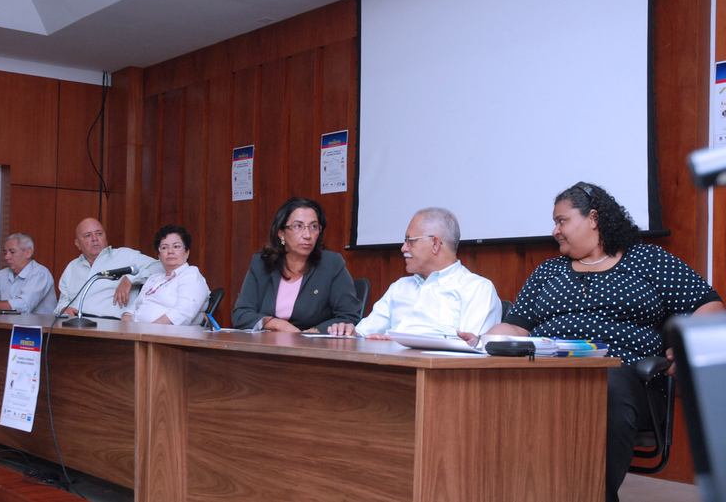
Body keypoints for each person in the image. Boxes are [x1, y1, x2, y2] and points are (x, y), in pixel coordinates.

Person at [456, 182, 724, 502]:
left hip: (625, 377)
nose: (555, 230)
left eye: (562, 221)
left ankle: (595, 494)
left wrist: (686, 348)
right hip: (548, 372)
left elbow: (709, 305)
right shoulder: (548, 271)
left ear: (593, 218)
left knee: (603, 381)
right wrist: (485, 340)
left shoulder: (648, 260)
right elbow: (516, 326)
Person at [328, 207, 501, 339]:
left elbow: (474, 351)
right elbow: (363, 333)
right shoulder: (400, 287)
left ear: (435, 244)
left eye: (410, 241)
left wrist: (397, 344)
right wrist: (348, 333)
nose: (403, 248)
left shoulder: (477, 289)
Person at [232, 197, 362, 333]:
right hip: (267, 342)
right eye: (298, 226)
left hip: (313, 343)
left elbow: (349, 315)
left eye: (314, 226)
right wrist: (278, 324)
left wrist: (315, 332)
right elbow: (241, 314)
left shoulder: (331, 264)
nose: (307, 235)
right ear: (281, 233)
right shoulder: (261, 263)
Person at [56, 218, 163, 318]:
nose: (95, 239)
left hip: (111, 324)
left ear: (105, 237)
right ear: (78, 244)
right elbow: (63, 301)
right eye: (88, 235)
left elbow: (161, 267)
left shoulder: (125, 256)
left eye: (99, 233)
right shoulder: (72, 267)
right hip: (75, 324)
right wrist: (63, 309)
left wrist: (131, 278)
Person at [122, 225, 210, 325]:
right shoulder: (154, 278)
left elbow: (182, 314)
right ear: (159, 256)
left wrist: (148, 330)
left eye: (176, 246)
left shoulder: (191, 274)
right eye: (164, 247)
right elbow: (130, 312)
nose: (170, 251)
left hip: (168, 334)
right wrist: (124, 328)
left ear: (187, 253)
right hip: (137, 332)